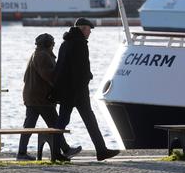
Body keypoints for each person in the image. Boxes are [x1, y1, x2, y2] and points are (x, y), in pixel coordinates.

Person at [51, 18, 119, 161]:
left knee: (63, 121)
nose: (89, 33)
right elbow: (80, 70)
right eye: (88, 29)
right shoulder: (80, 44)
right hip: (78, 91)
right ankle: (101, 150)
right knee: (89, 120)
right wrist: (87, 78)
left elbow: (61, 68)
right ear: (82, 29)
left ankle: (56, 153)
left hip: (66, 91)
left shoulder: (65, 43)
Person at [16, 33, 82, 161]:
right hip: (41, 98)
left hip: (32, 96)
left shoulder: (37, 54)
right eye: (53, 43)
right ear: (49, 44)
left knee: (29, 125)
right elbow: (49, 76)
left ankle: (22, 152)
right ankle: (65, 150)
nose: (54, 45)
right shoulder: (43, 56)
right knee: (55, 124)